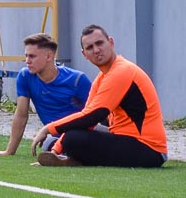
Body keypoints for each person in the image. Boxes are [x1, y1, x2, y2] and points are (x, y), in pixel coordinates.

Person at [31, 24, 168, 167]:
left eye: (99, 43)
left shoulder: (122, 71)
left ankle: (72, 156)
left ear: (111, 42)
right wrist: (55, 150)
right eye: (90, 48)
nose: (96, 50)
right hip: (125, 139)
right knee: (54, 142)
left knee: (73, 139)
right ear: (84, 54)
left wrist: (48, 128)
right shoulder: (102, 77)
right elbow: (86, 119)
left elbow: (93, 115)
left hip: (149, 149)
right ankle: (67, 156)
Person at [0, 33, 92, 156]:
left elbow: (94, 114)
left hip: (82, 134)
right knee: (48, 144)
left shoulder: (77, 79)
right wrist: (9, 151)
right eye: (26, 56)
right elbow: (21, 115)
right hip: (55, 138)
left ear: (49, 56)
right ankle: (66, 154)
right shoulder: (25, 76)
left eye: (32, 56)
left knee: (68, 142)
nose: (27, 61)